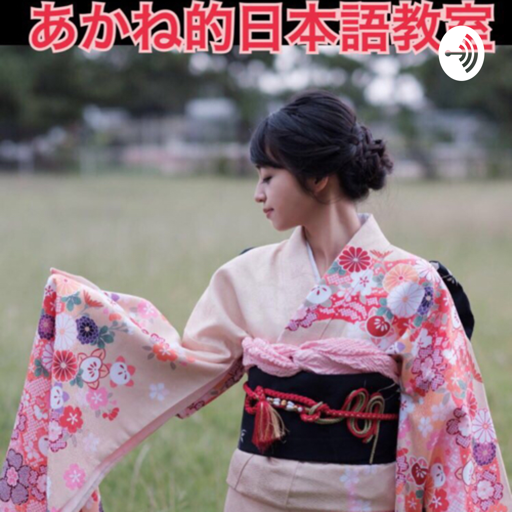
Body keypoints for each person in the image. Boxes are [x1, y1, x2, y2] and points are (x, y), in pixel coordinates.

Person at [2, 89, 511, 512]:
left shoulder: (415, 285)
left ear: (317, 176)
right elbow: (182, 363)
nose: (258, 193)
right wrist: (85, 318)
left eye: (269, 177)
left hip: (361, 498)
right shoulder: (243, 275)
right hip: (254, 495)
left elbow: (448, 418)